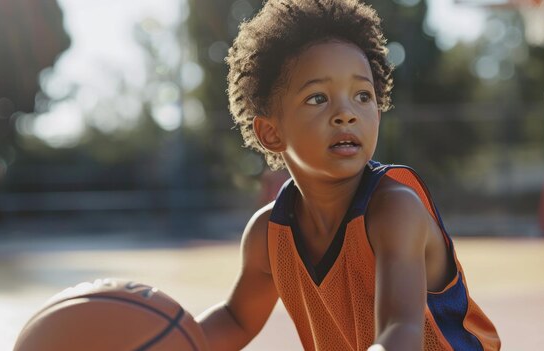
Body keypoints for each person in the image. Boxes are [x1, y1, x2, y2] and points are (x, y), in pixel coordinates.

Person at [196, 0, 501, 350]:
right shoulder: (268, 235)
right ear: (271, 133)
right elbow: (236, 320)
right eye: (317, 98)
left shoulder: (395, 210)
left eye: (362, 95)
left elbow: (401, 332)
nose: (346, 113)